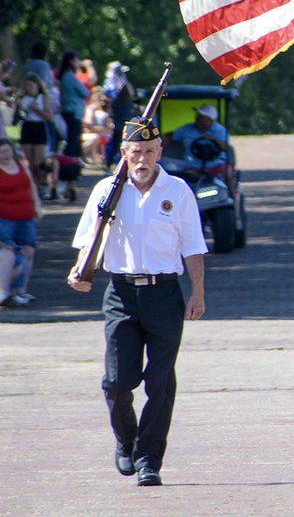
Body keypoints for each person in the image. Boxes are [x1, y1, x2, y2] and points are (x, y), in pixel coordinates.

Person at [67, 117, 207, 487]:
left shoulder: (177, 190)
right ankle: (126, 439)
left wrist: (197, 292)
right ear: (124, 154)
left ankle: (149, 458)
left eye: (149, 151)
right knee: (116, 382)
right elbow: (88, 239)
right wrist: (80, 270)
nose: (142, 159)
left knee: (160, 381)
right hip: (121, 294)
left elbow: (192, 246)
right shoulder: (106, 191)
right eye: (135, 152)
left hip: (164, 294)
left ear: (160, 152)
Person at [0, 137, 42, 307]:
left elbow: (31, 185)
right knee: (9, 254)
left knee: (28, 252)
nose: (6, 154)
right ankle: (6, 290)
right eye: (2, 152)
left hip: (26, 216)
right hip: (5, 218)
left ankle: (21, 290)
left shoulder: (21, 165)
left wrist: (37, 204)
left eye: (8, 151)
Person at [166, 104, 232, 191]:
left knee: (228, 173)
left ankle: (232, 196)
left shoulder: (220, 130)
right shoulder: (187, 129)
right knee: (180, 178)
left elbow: (226, 147)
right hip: (193, 166)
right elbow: (169, 137)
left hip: (216, 165)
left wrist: (214, 140)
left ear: (210, 119)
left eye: (202, 117)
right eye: (198, 115)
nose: (198, 118)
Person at [17, 73, 53, 199]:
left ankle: (40, 184)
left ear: (37, 86)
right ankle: (33, 187)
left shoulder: (43, 98)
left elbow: (49, 117)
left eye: (31, 85)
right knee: (29, 161)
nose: (29, 88)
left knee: (38, 162)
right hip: (27, 126)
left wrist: (37, 109)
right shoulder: (23, 98)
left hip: (39, 127)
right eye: (26, 86)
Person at [58, 50, 90, 160]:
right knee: (72, 140)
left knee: (74, 140)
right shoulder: (70, 76)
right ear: (71, 61)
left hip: (70, 111)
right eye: (77, 60)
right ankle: (68, 163)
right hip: (73, 112)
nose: (79, 63)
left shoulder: (65, 76)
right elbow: (85, 92)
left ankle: (74, 164)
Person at [102, 61, 134, 169]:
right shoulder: (116, 84)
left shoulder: (119, 84)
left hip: (122, 116)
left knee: (120, 140)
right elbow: (110, 97)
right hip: (120, 116)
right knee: (118, 140)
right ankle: (110, 163)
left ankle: (113, 163)